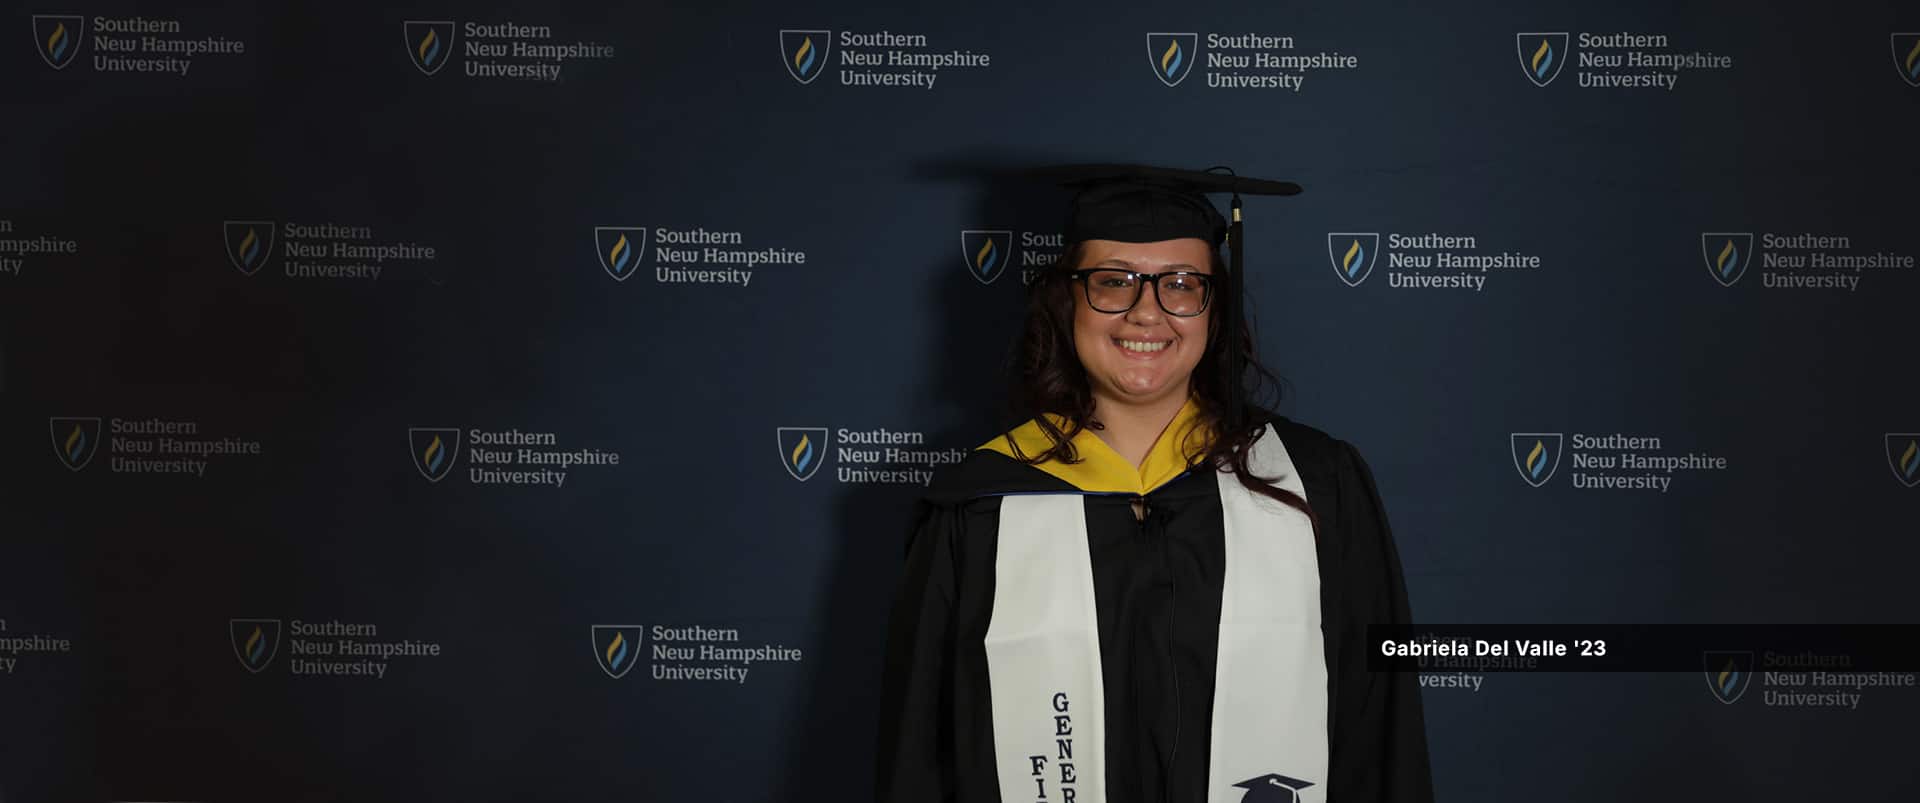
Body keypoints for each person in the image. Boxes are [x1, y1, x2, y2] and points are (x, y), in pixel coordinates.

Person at [876, 165, 1433, 803]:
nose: (1147, 312)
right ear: (1067, 301)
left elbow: (1379, 725)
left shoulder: (1314, 480)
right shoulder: (982, 502)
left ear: (1213, 309)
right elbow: (921, 752)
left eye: (1181, 284)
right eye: (1113, 282)